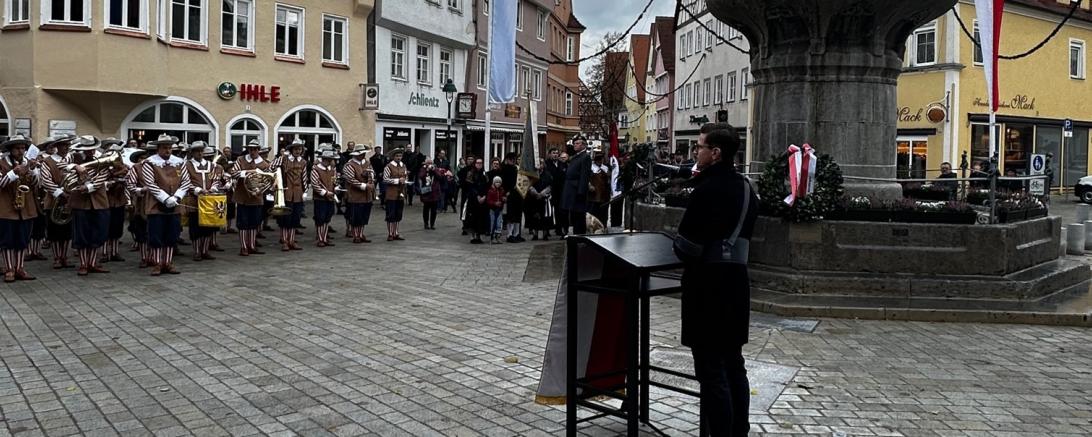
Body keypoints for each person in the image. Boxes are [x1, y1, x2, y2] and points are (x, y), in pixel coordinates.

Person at [672, 123, 757, 437]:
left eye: (700, 146)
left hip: (707, 287)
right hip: (736, 284)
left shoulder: (706, 189)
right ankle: (739, 432)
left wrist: (676, 243)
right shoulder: (748, 188)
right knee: (734, 364)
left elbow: (687, 246)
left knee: (711, 370)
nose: (697, 152)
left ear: (716, 153)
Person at [143, 134, 191, 275]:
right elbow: (150, 183)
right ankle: (157, 263)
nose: (168, 150)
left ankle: (168, 263)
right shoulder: (149, 162)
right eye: (165, 148)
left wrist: (177, 196)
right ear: (158, 148)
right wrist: (165, 198)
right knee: (156, 235)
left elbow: (186, 182)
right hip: (156, 205)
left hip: (175, 204)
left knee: (172, 235)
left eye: (170, 148)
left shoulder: (179, 162)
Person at [66, 136, 112, 276]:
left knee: (97, 233)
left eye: (91, 149)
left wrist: (89, 187)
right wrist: (75, 166)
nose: (89, 152)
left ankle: (93, 263)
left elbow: (103, 176)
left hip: (99, 201)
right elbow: (61, 166)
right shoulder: (74, 158)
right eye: (86, 150)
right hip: (81, 203)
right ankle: (83, 264)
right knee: (82, 234)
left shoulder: (102, 160)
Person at [0, 135, 42, 282]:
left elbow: (36, 184)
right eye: (17, 148)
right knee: (7, 241)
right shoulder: (1, 163)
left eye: (23, 148)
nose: (21, 151)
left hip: (26, 208)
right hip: (6, 208)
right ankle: (9, 269)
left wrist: (33, 170)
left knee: (22, 240)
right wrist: (14, 172)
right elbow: (1, 183)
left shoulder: (27, 162)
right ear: (10, 149)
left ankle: (20, 268)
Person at [182, 141, 222, 261]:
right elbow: (185, 181)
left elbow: (216, 179)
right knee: (195, 227)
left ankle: (205, 250)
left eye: (201, 151)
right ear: (192, 152)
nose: (199, 153)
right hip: (194, 200)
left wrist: (213, 188)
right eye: (197, 151)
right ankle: (197, 251)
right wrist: (197, 190)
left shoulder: (211, 165)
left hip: (209, 200)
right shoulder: (186, 165)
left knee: (208, 227)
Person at [39, 136, 74, 269]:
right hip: (53, 200)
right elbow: (46, 180)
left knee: (66, 231)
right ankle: (56, 257)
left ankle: (64, 256)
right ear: (57, 146)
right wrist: (59, 192)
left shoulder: (71, 159)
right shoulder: (47, 161)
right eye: (63, 145)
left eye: (68, 145)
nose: (66, 148)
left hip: (69, 200)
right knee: (54, 231)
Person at [231, 140, 270, 256]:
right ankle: (243, 247)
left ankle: (252, 245)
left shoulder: (264, 164)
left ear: (259, 150)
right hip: (242, 196)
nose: (252, 151)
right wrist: (249, 172)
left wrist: (260, 190)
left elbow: (268, 180)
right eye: (250, 149)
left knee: (254, 222)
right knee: (243, 223)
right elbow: (234, 173)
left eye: (255, 149)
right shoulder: (241, 160)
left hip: (256, 197)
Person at [272, 139, 308, 251]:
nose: (298, 151)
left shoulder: (303, 162)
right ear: (291, 149)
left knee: (295, 218)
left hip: (298, 192)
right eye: (296, 148)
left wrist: (305, 191)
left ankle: (292, 240)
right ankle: (284, 241)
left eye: (300, 149)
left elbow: (305, 178)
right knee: (285, 218)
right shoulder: (284, 159)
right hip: (285, 192)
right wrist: (277, 179)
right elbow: (271, 167)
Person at [126, 142, 155, 267]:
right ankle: (144, 257)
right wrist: (141, 190)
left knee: (154, 232)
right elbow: (130, 185)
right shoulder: (135, 168)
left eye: (145, 157)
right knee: (142, 232)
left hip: (155, 203)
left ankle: (154, 257)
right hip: (141, 202)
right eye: (141, 158)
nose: (144, 160)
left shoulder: (156, 166)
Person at [343, 144, 376, 244]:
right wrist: (364, 185)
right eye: (361, 154)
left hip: (367, 196)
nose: (363, 155)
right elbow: (350, 179)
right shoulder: (349, 165)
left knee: (364, 216)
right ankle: (356, 235)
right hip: (355, 194)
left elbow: (372, 173)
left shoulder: (367, 163)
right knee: (356, 216)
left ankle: (361, 234)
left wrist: (370, 179)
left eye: (364, 154)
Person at [562, 135, 592, 235]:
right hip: (570, 188)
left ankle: (579, 235)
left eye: (578, 143)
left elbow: (584, 176)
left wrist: (581, 192)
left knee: (579, 216)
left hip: (577, 190)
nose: (575, 145)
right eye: (574, 143)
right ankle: (575, 233)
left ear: (584, 145)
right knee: (573, 215)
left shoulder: (585, 157)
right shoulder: (576, 156)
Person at [310, 148, 340, 247]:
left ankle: (325, 237)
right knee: (320, 218)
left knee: (327, 218)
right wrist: (325, 193)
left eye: (331, 160)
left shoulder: (332, 170)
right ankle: (320, 239)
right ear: (324, 159)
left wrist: (336, 188)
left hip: (330, 198)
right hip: (320, 199)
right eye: (329, 160)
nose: (331, 162)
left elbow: (334, 182)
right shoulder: (315, 169)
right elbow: (315, 185)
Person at [383, 148, 409, 241]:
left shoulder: (403, 166)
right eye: (397, 156)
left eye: (400, 156)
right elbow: (385, 179)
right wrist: (397, 180)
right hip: (391, 193)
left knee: (398, 213)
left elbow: (406, 176)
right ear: (393, 157)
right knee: (391, 214)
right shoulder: (388, 166)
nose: (399, 158)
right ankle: (390, 234)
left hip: (401, 192)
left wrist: (405, 181)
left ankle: (396, 232)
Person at [525, 159, 554, 241]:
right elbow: (529, 184)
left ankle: (545, 234)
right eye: (538, 164)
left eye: (541, 163)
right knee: (535, 216)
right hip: (534, 199)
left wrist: (542, 193)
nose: (539, 165)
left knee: (545, 218)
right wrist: (534, 192)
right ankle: (535, 234)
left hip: (544, 199)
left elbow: (550, 186)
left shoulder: (547, 174)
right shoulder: (532, 174)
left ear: (543, 165)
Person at [466, 158, 490, 244]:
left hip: (483, 198)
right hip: (473, 199)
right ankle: (472, 236)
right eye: (478, 163)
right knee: (473, 217)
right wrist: (477, 196)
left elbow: (487, 185)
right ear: (475, 164)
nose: (479, 164)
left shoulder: (484, 174)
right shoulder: (471, 173)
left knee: (481, 218)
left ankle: (479, 235)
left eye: (481, 163)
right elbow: (470, 186)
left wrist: (484, 196)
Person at [216, 145, 238, 234]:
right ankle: (223, 227)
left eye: (229, 152)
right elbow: (223, 168)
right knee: (222, 209)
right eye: (226, 152)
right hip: (223, 189)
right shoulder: (220, 159)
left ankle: (229, 227)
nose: (227, 153)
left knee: (231, 209)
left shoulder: (229, 160)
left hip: (231, 191)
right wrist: (233, 163)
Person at [545, 148, 567, 236]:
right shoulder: (546, 164)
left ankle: (559, 228)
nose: (555, 155)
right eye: (553, 153)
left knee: (560, 211)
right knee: (548, 211)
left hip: (560, 191)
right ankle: (547, 230)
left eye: (557, 153)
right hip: (550, 190)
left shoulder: (562, 164)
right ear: (549, 154)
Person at [589, 145, 611, 226]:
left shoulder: (605, 168)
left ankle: (603, 226)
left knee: (603, 214)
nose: (599, 161)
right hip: (593, 196)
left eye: (601, 159)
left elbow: (609, 181)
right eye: (598, 159)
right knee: (593, 213)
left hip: (604, 196)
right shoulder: (590, 168)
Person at [418, 158, 443, 230]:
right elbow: (421, 176)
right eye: (427, 163)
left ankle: (432, 224)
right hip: (426, 191)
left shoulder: (435, 168)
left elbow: (439, 177)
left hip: (434, 192)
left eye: (430, 163)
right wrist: (427, 170)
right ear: (425, 163)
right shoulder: (423, 168)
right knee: (426, 209)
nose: (429, 165)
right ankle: (426, 223)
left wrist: (433, 170)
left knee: (434, 210)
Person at [487, 176, 506, 244]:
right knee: (493, 223)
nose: (498, 183)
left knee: (499, 223)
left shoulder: (502, 190)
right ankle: (492, 237)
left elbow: (503, 198)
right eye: (496, 182)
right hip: (493, 210)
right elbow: (488, 201)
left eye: (499, 182)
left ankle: (498, 237)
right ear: (494, 183)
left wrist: (503, 199)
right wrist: (495, 203)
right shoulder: (490, 190)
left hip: (499, 210)